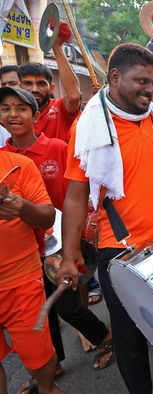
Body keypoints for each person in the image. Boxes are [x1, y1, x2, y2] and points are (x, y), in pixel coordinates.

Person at [55, 43, 153, 394]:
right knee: (130, 338)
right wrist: (67, 255)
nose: (149, 89)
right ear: (114, 77)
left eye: (152, 82)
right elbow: (76, 196)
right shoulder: (89, 127)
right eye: (141, 81)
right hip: (119, 251)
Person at [0, 86, 114, 374]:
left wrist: (76, 240)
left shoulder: (58, 148)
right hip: (26, 251)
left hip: (61, 240)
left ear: (36, 115)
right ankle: (52, 368)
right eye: (5, 108)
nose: (13, 114)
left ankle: (103, 336)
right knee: (44, 312)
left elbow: (76, 195)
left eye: (21, 108)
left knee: (67, 305)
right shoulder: (4, 157)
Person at [0, 150, 62, 394]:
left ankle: (47, 388)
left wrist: (22, 208)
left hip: (21, 279)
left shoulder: (18, 165)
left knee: (40, 359)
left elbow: (47, 218)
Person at [18, 22, 80, 142]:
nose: (34, 89)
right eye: (28, 83)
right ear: (20, 87)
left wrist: (57, 46)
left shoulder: (60, 109)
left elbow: (74, 96)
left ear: (51, 88)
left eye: (41, 83)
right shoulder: (12, 112)